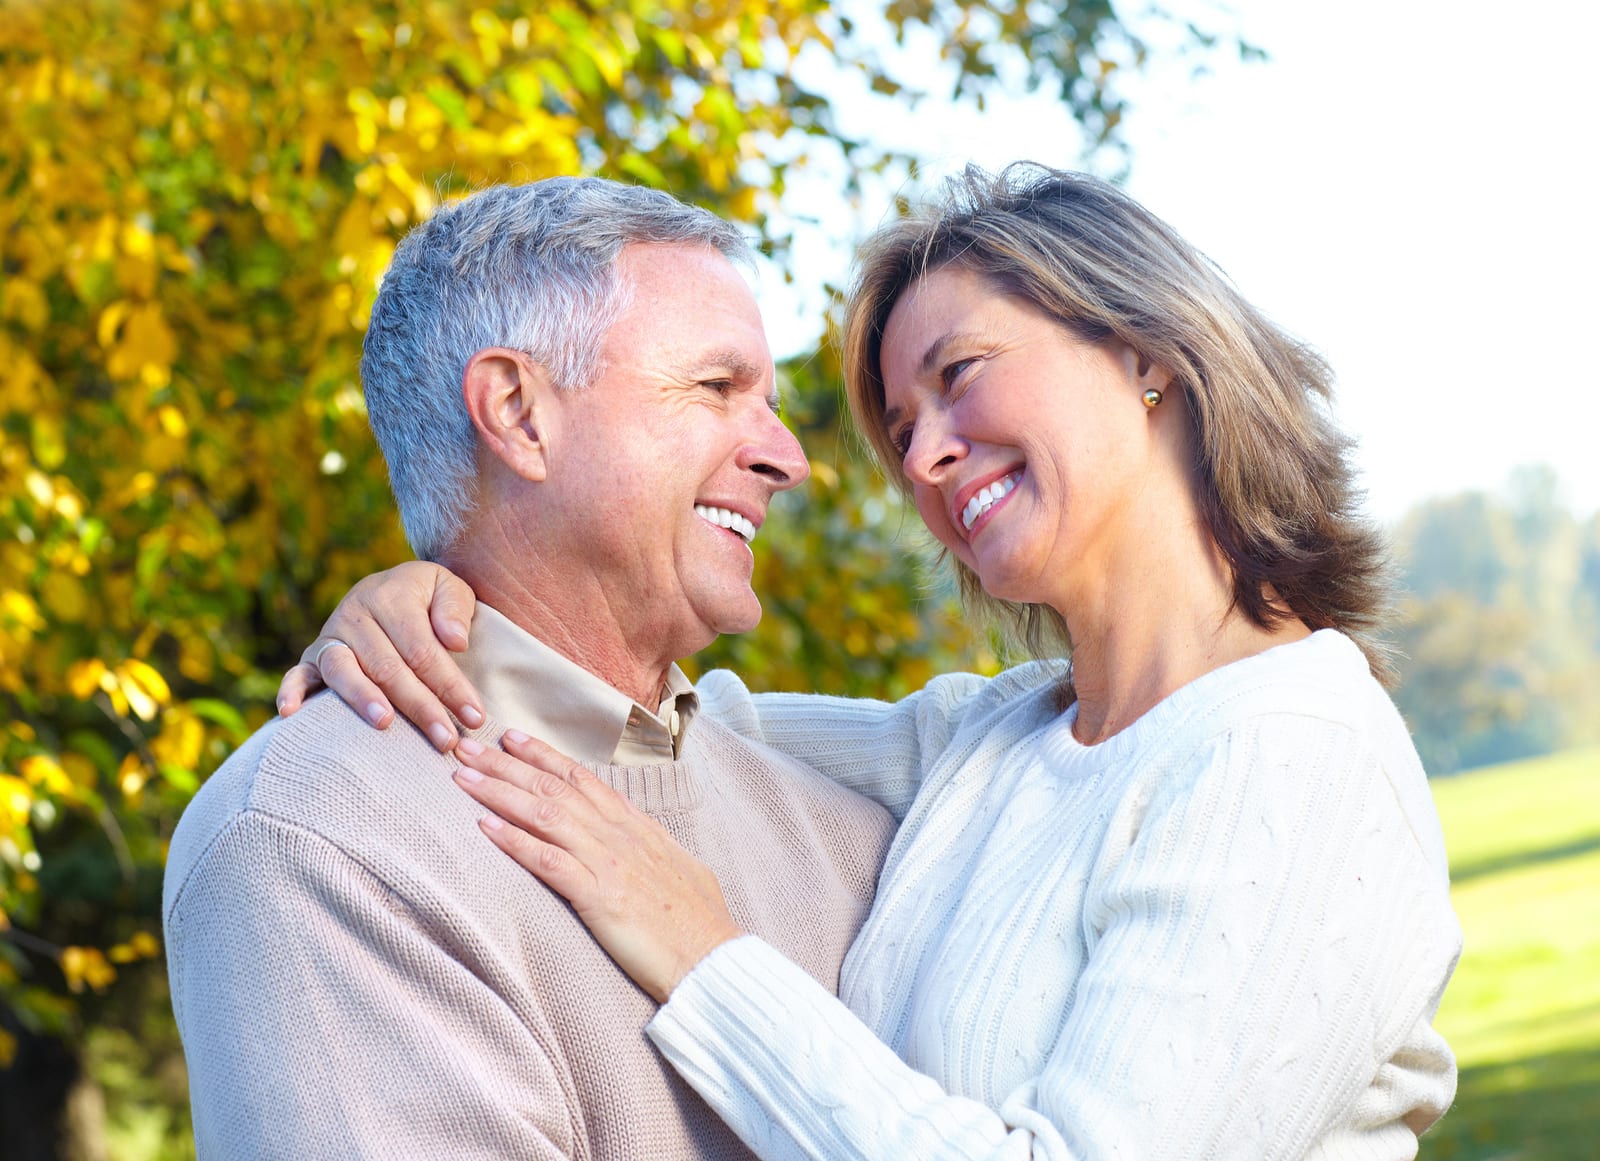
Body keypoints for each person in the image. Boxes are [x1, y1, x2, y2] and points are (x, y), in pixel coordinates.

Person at [281, 164, 1463, 1158]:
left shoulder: (1293, 755)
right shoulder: (985, 743)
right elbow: (647, 710)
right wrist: (428, 609)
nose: (930, 456)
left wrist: (706, 959)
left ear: (1143, 351)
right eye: (903, 431)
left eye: (957, 377)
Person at [162, 177, 897, 1159]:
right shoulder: (319, 834)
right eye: (717, 388)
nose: (786, 456)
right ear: (517, 412)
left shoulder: (859, 836)